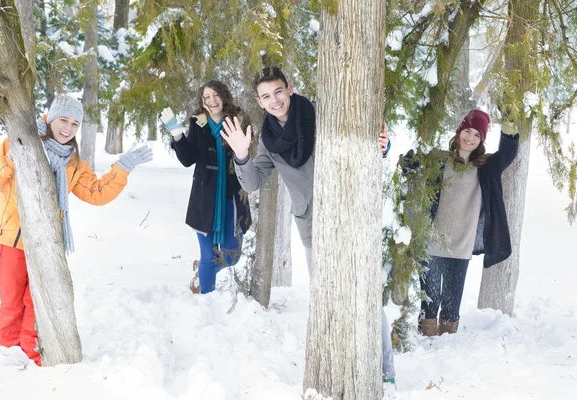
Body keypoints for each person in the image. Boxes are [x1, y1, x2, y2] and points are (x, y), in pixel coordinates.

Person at [220, 66, 395, 384]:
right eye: (266, 97)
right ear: (259, 103)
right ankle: (344, 366)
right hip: (311, 225)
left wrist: (381, 146)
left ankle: (385, 372)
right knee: (329, 299)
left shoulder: (320, 115)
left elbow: (361, 143)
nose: (274, 101)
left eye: (278, 92)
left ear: (289, 87)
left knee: (366, 297)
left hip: (349, 216)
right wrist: (242, 155)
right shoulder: (270, 140)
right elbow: (255, 182)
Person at [0, 95, 153, 365]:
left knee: (38, 304)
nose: (68, 128)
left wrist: (122, 168)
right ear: (51, 118)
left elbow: (96, 192)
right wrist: (13, 158)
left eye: (75, 123)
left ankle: (32, 355)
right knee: (11, 304)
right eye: (64, 120)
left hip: (47, 244)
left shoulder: (73, 163)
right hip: (11, 241)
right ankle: (6, 355)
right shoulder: (20, 141)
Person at [401, 109, 519, 336]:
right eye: (467, 130)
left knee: (451, 307)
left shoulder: (485, 166)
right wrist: (408, 164)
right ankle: (426, 346)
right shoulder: (437, 160)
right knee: (430, 302)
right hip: (432, 244)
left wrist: (510, 123)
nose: (470, 138)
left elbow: (508, 153)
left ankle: (447, 348)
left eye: (477, 134)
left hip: (461, 246)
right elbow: (409, 167)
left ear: (481, 140)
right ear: (458, 132)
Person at [161, 80, 252, 295]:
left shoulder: (238, 121)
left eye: (215, 95)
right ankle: (205, 298)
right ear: (202, 102)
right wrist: (176, 133)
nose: (212, 100)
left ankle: (202, 270)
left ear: (224, 96)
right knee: (209, 256)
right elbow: (188, 158)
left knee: (232, 256)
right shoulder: (198, 124)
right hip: (204, 199)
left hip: (232, 197)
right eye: (206, 97)